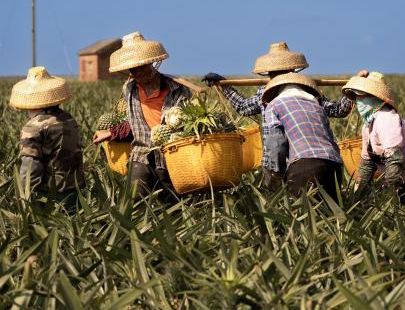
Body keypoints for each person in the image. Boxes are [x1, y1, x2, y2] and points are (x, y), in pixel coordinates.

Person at [202, 42, 355, 190]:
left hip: (290, 164)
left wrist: (355, 87)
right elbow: (338, 110)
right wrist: (225, 86)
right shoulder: (305, 91)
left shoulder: (274, 95)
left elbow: (275, 144)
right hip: (331, 161)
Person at [92, 32, 192, 201]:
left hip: (171, 155)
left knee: (174, 203)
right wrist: (111, 132)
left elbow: (188, 125)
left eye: (142, 67)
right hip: (141, 154)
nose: (138, 73)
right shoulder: (129, 90)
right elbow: (133, 123)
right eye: (134, 69)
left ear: (151, 63)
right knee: (135, 199)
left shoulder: (178, 89)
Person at [342, 71, 405, 205]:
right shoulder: (368, 125)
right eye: (356, 97)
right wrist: (357, 195)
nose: (358, 101)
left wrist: (387, 190)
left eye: (362, 96)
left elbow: (394, 158)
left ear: (375, 97)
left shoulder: (386, 117)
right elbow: (366, 164)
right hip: (397, 179)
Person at [10, 66, 85, 212]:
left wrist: (25, 199)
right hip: (75, 192)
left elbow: (31, 167)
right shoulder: (69, 119)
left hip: (50, 196)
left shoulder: (33, 127)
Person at [260, 72, 346, 199]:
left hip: (305, 165)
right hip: (334, 165)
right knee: (331, 215)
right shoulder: (317, 106)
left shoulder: (274, 105)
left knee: (301, 216)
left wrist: (276, 174)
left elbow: (277, 143)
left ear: (279, 91)